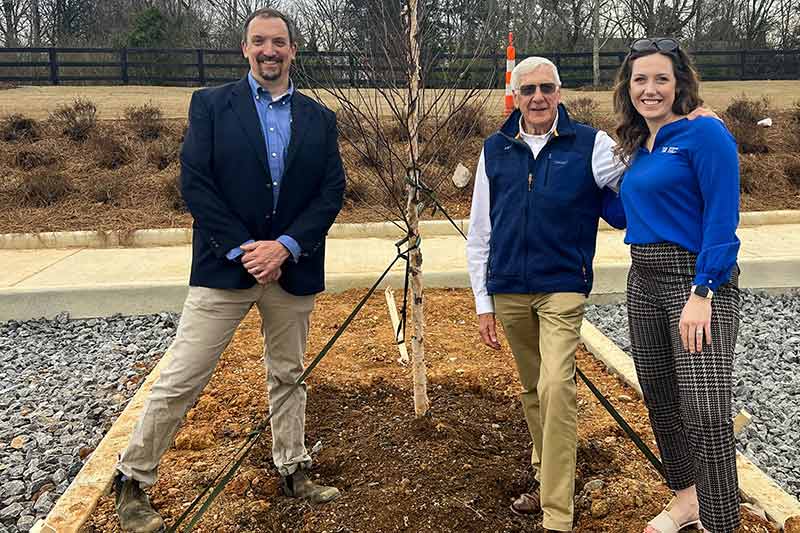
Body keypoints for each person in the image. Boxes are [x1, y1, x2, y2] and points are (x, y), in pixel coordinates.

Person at [112, 8, 346, 532]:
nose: (270, 50)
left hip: (291, 270)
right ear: (245, 49)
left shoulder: (319, 118)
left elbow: (331, 191)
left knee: (289, 376)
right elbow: (196, 183)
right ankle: (132, 480)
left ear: (293, 50)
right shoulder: (212, 106)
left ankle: (293, 468)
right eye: (259, 41)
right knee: (181, 378)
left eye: (279, 42)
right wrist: (246, 248)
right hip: (226, 267)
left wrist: (284, 246)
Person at [466, 56, 627, 533]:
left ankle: (557, 516)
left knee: (558, 387)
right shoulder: (494, 149)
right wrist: (483, 302)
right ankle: (544, 479)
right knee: (534, 391)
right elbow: (480, 232)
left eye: (547, 88)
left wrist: (684, 125)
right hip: (510, 290)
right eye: (528, 89)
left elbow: (641, 176)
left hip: (562, 288)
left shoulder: (591, 145)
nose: (538, 97)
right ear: (514, 96)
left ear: (560, 92)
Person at [613, 38, 741, 533]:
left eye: (660, 79)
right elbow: (633, 214)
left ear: (679, 83)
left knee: (706, 409)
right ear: (628, 88)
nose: (649, 89)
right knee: (661, 396)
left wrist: (703, 291)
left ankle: (720, 522)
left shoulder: (705, 134)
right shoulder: (640, 145)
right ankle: (687, 499)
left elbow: (722, 219)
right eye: (640, 79)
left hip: (695, 281)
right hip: (642, 277)